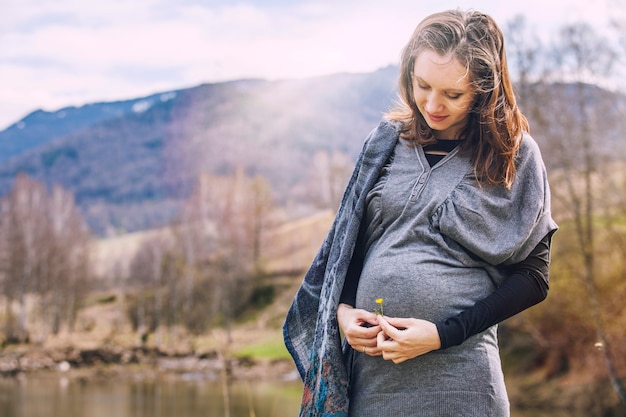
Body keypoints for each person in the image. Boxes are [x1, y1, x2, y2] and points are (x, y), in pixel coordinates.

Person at [283, 9, 558, 417]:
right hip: (373, 386)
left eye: (453, 94)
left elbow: (534, 278)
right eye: (423, 85)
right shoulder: (384, 143)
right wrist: (342, 311)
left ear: (483, 90)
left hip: (461, 382)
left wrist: (441, 335)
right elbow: (345, 254)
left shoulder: (513, 157)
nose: (433, 104)